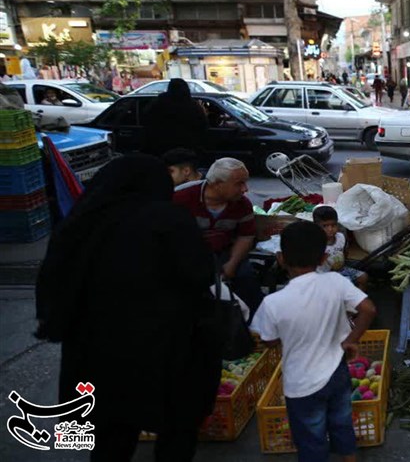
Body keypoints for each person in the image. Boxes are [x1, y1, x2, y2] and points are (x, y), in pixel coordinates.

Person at [35, 155, 220, 461]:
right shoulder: (169, 220)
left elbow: (54, 284)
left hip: (96, 353)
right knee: (175, 431)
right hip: (166, 351)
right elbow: (199, 275)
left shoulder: (80, 224)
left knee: (111, 438)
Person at [250, 221, 377, 462]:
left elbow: (268, 340)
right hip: (337, 372)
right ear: (324, 257)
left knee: (311, 437)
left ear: (280, 258)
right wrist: (352, 340)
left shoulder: (273, 303)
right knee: (341, 423)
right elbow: (368, 309)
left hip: (301, 384)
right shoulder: (336, 282)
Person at [173, 157, 264, 318]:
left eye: (245, 182)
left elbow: (246, 236)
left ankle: (255, 327)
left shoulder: (242, 204)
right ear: (216, 184)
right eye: (239, 184)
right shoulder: (181, 198)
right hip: (188, 256)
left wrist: (231, 265)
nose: (245, 189)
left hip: (225, 253)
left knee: (246, 279)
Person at [142, 78, 208, 157]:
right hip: (187, 145)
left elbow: (147, 118)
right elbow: (203, 124)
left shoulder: (159, 102)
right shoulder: (192, 105)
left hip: (162, 145)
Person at [313, 206, 368, 290]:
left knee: (363, 277)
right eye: (325, 226)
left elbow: (344, 252)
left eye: (333, 225)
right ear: (316, 227)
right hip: (324, 275)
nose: (330, 229)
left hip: (341, 269)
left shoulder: (341, 237)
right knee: (346, 285)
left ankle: (357, 299)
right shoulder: (316, 244)